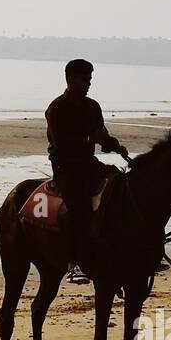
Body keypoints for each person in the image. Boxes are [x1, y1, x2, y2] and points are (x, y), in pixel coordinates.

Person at [45, 59, 129, 271]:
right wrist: (91, 138)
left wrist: (115, 145)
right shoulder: (56, 108)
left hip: (89, 164)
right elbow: (61, 144)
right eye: (85, 79)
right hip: (66, 168)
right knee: (78, 206)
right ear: (70, 79)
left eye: (90, 79)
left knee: (121, 186)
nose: (89, 83)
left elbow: (102, 138)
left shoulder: (93, 107)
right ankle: (76, 261)